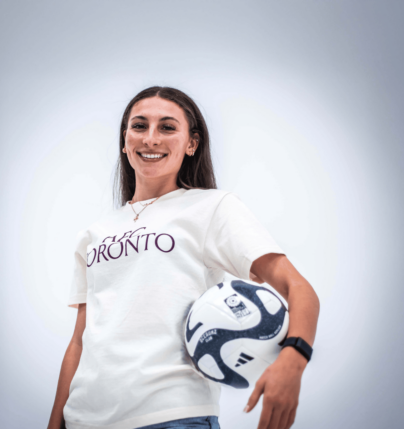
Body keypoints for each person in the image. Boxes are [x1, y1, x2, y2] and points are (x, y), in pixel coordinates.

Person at [47, 87, 320, 429]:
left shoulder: (212, 207)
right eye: (139, 126)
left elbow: (299, 288)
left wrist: (294, 359)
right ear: (124, 139)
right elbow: (79, 341)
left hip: (173, 417)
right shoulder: (93, 234)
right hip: (83, 421)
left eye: (167, 127)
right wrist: (56, 421)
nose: (151, 139)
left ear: (191, 144)